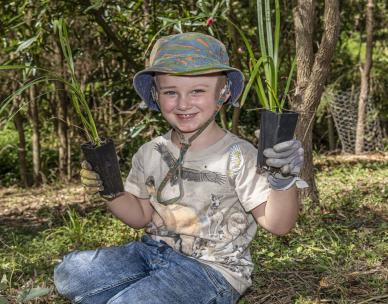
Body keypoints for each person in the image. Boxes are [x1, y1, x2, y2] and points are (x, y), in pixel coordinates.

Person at [54, 32, 307, 304]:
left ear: (223, 94)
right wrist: (111, 192)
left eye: (198, 91)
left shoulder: (238, 154)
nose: (183, 103)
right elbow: (140, 216)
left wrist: (283, 181)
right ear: (155, 95)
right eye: (170, 92)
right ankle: (145, 289)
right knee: (70, 271)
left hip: (210, 270)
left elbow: (278, 224)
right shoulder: (149, 151)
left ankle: (139, 294)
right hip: (151, 252)